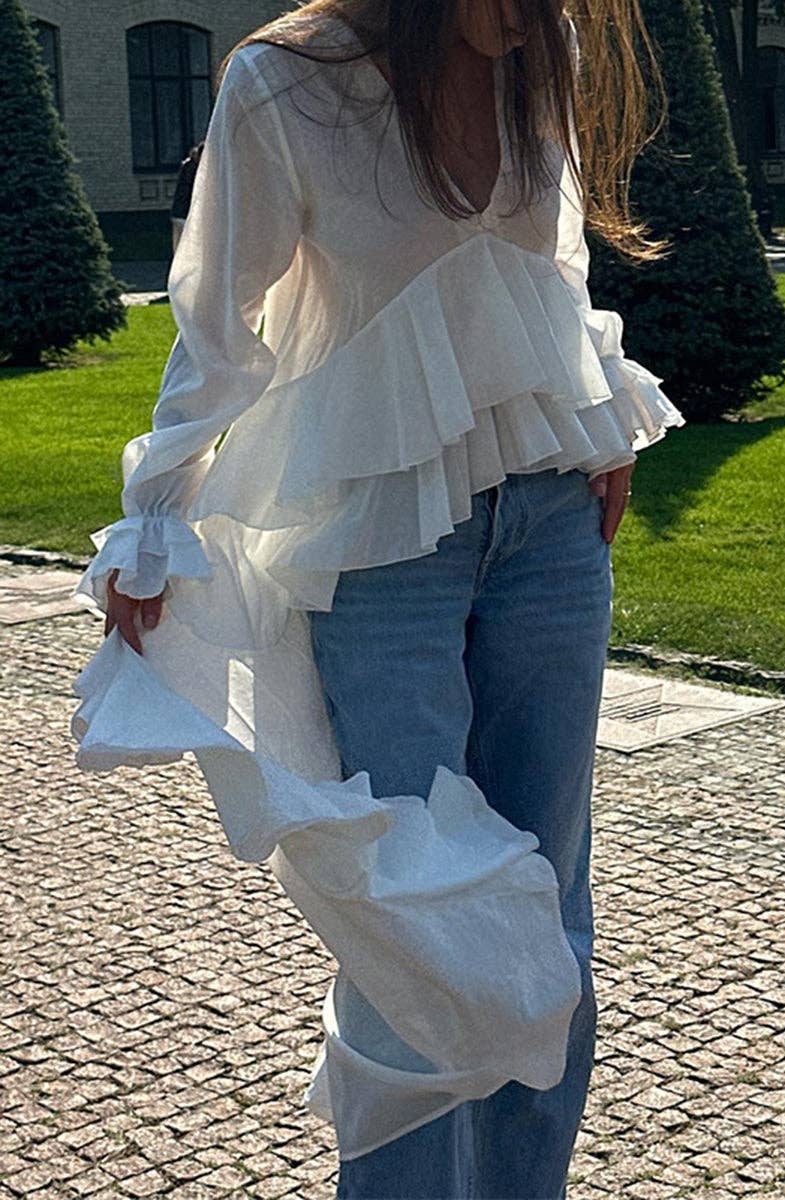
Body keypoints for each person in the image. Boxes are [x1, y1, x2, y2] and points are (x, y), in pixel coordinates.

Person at [74, 1, 685, 1196]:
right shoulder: (286, 83)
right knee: (410, 912)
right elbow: (219, 327)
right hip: (377, 544)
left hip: (550, 521)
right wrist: (153, 519)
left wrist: (599, 391)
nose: (535, 15)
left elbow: (552, 260)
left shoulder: (539, 50)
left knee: (549, 906)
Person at [170, 140, 205, 254]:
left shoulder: (188, 165)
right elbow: (193, 190)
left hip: (179, 212)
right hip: (185, 213)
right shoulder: (194, 169)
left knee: (179, 247)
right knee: (186, 247)